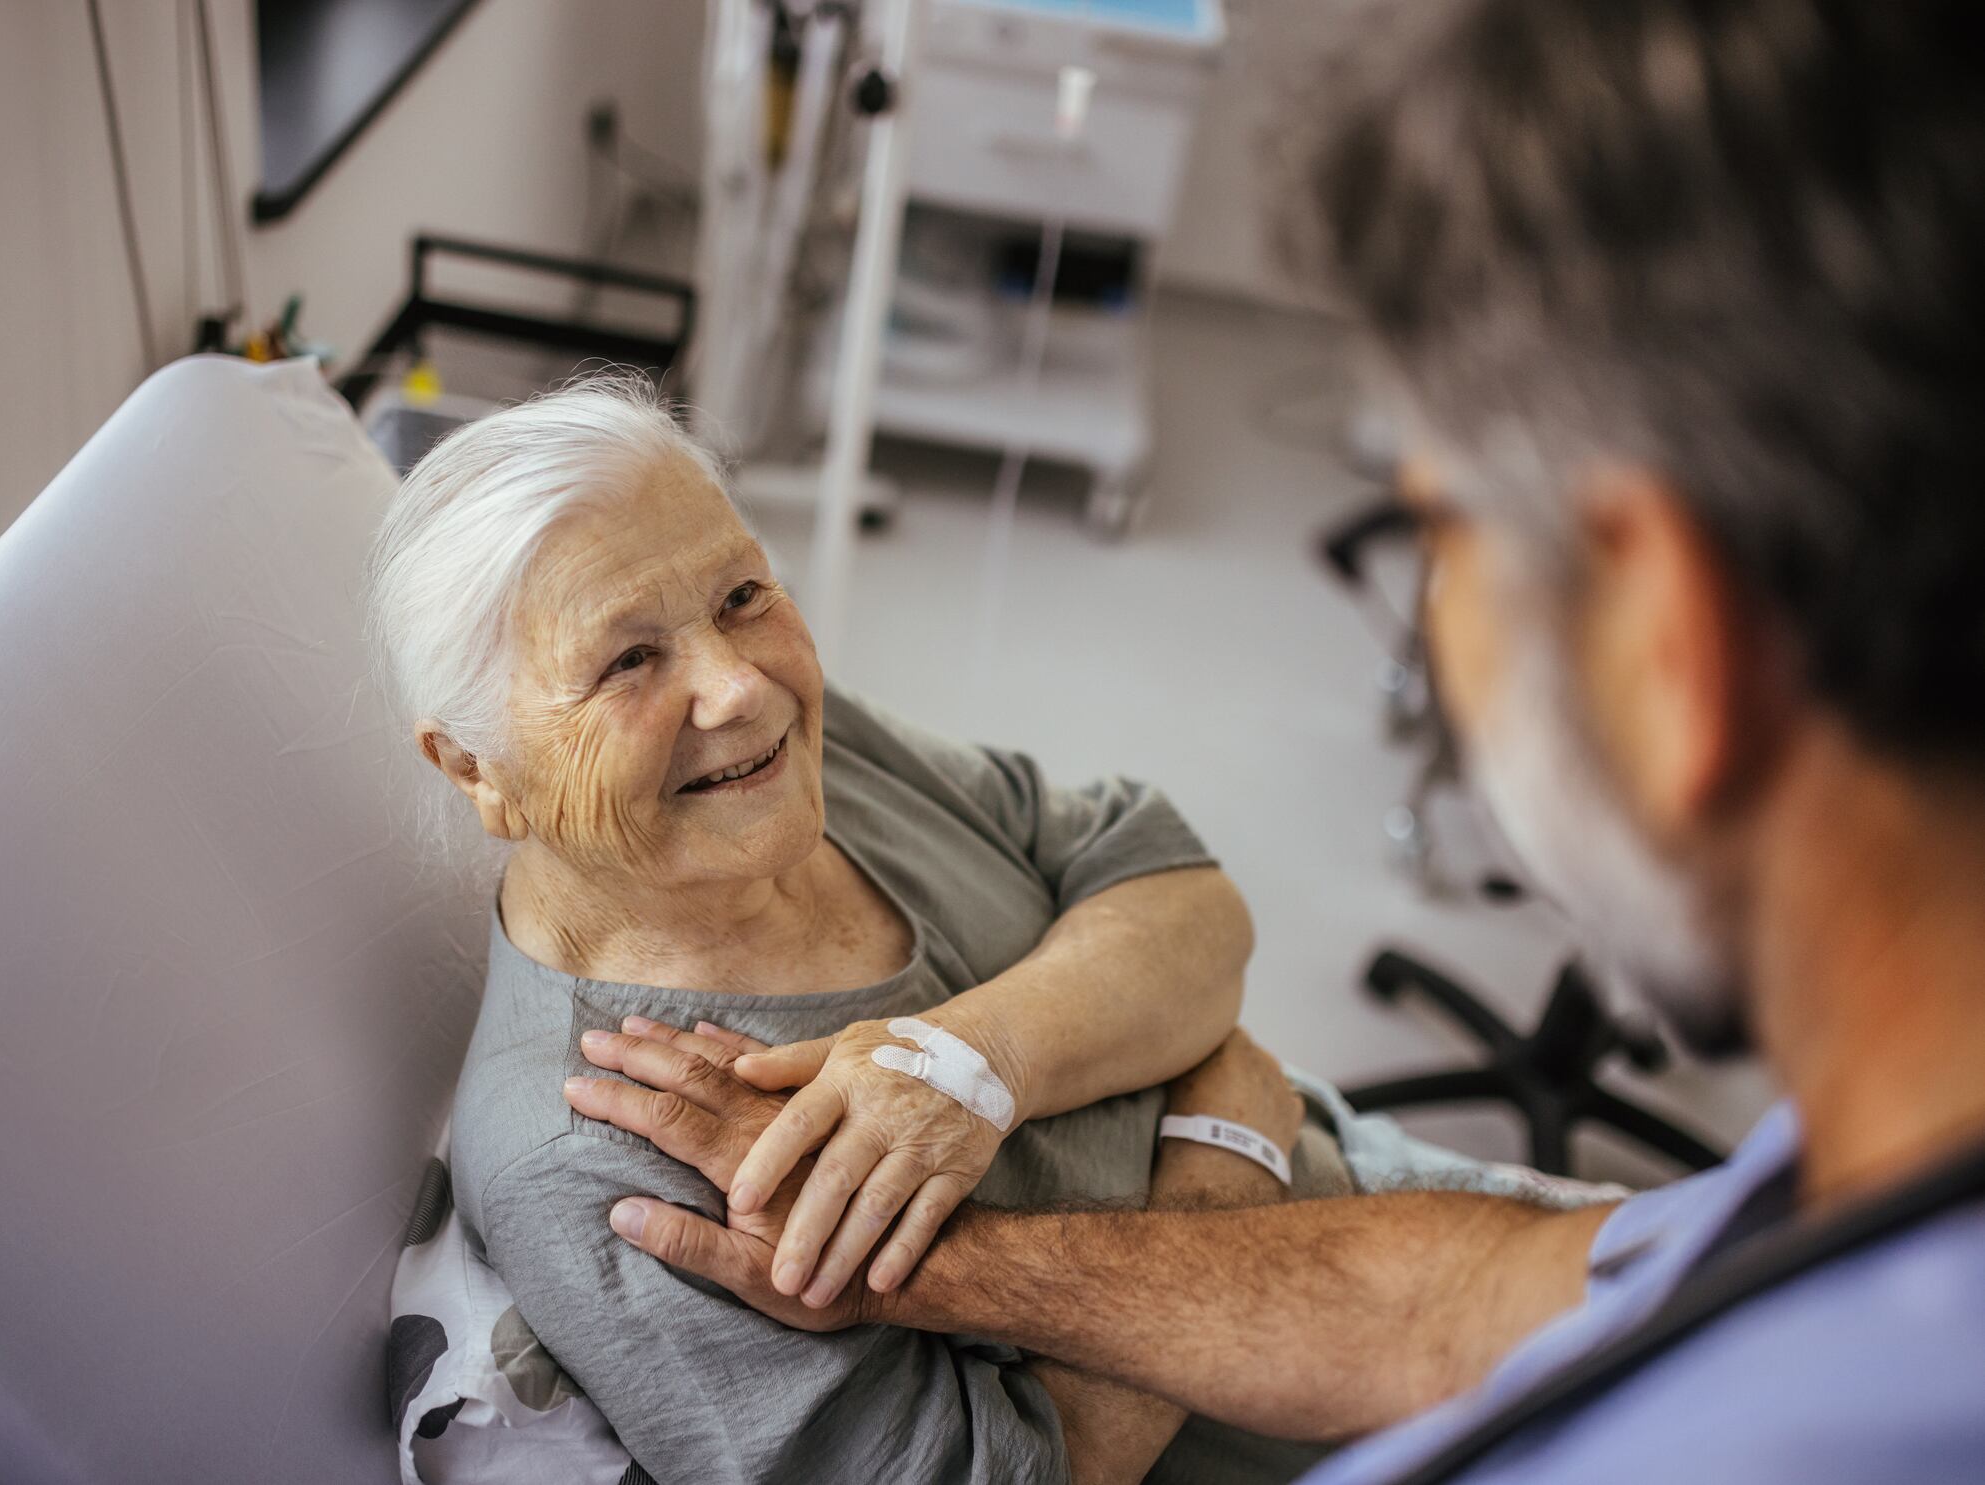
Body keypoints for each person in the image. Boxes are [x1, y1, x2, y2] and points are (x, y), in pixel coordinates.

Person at [587, 0, 1985, 1479]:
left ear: (1670, 645)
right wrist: (934, 1261)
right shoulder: (1872, 1169)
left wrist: (1176, 1140)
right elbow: (1462, 1304)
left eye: (1437, 530)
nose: (734, 690)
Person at [363, 377, 1362, 1484]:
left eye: (743, 592)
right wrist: (1226, 1150)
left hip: (1380, 1210)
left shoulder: (781, 761)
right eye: (627, 661)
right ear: (472, 769)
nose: (740, 687)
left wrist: (976, 1061)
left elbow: (1178, 889)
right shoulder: (597, 1163)